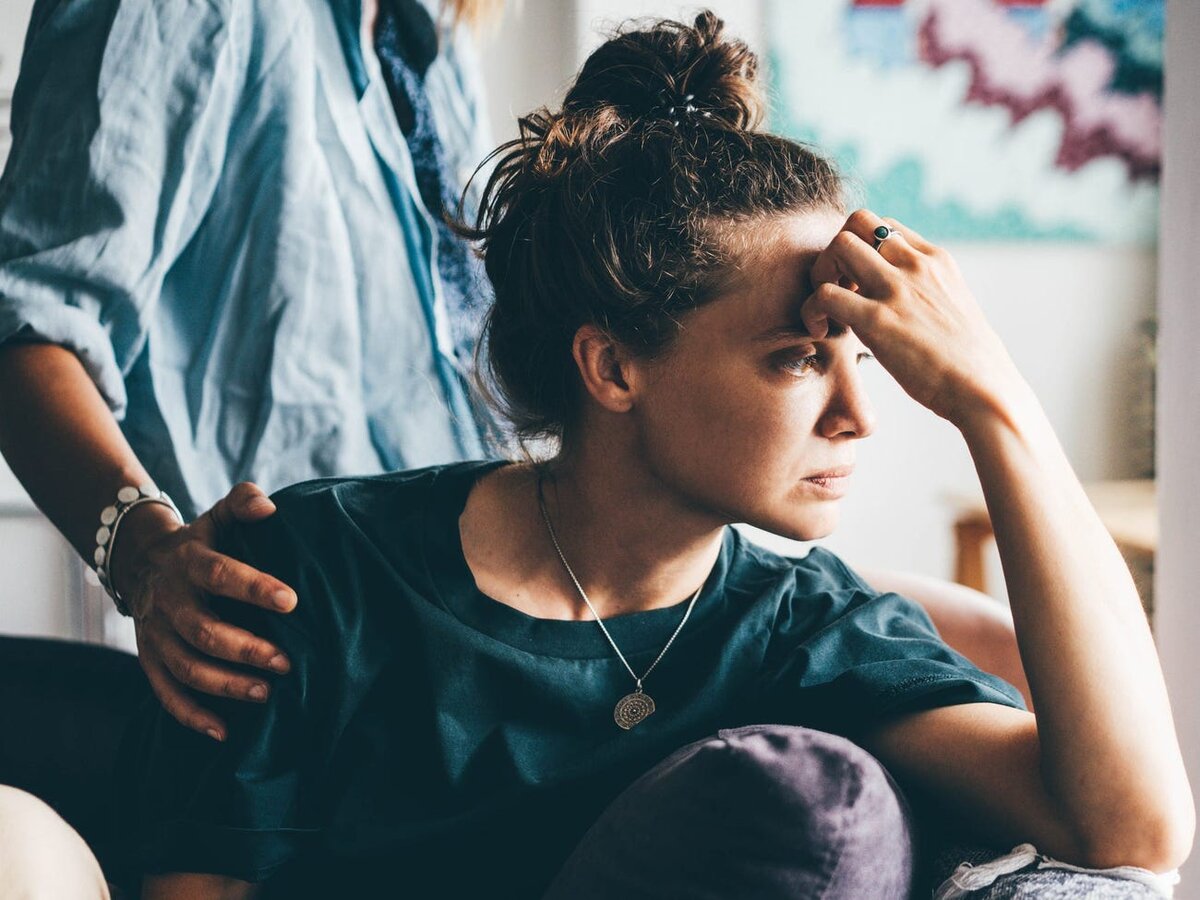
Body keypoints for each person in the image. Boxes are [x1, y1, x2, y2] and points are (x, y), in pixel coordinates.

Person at [85, 10, 1189, 898]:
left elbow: (1134, 829)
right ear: (613, 368)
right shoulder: (313, 572)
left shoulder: (806, 633)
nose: (860, 414)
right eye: (799, 359)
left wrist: (995, 404)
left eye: (861, 356)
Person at [0, 0, 506, 742]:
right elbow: (30, 327)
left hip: (441, 691)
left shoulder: (432, 41)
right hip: (277, 704)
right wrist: (143, 555)